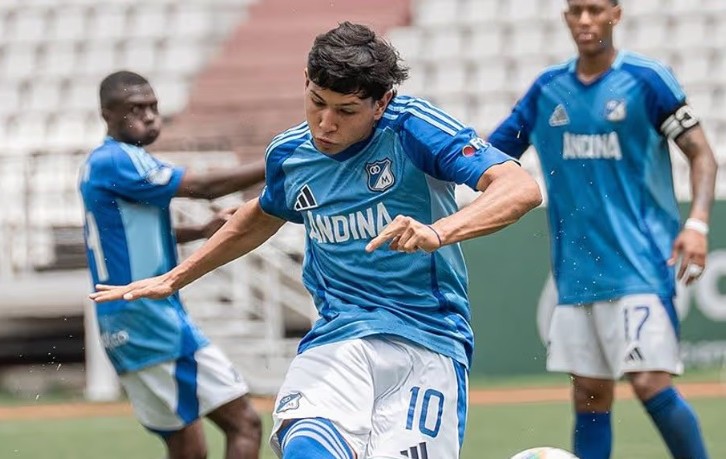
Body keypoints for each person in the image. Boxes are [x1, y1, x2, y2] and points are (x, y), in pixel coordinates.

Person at [89, 22, 542, 459]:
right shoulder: (290, 153)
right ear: (305, 80)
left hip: (427, 339)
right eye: (316, 102)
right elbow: (260, 215)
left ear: (382, 102)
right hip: (339, 337)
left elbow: (519, 188)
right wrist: (176, 277)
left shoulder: (414, 128)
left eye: (346, 111)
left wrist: (438, 231)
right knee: (307, 447)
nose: (325, 124)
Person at [488, 1, 718, 458]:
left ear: (615, 14)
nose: (585, 20)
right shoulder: (547, 89)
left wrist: (697, 224)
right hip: (576, 271)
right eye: (576, 11)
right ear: (565, 17)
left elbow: (702, 154)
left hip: (640, 262)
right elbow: (492, 156)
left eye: (594, 10)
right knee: (590, 394)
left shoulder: (647, 79)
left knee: (649, 381)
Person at [79, 70, 266, 459]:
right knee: (244, 423)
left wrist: (200, 231)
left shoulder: (99, 163)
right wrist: (283, 161)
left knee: (187, 446)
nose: (149, 116)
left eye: (153, 107)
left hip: (121, 319)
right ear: (107, 113)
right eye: (135, 109)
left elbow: (126, 232)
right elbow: (205, 187)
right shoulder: (119, 159)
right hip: (149, 316)